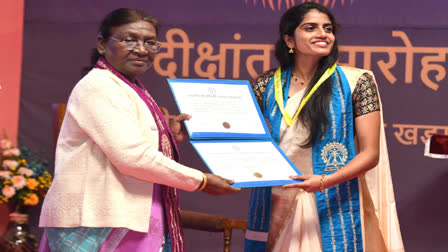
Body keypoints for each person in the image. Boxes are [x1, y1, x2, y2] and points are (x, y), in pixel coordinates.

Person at [38, 8, 240, 252]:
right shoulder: (99, 86)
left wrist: (168, 135)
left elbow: (125, 143)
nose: (142, 49)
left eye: (150, 42)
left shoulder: (128, 86)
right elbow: (131, 156)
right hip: (96, 219)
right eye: (129, 39)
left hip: (124, 213)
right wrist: (201, 181)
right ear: (102, 44)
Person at [245, 3, 404, 252]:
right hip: (277, 200)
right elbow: (243, 138)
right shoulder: (267, 84)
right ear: (289, 39)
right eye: (311, 28)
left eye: (328, 29)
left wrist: (324, 181)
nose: (323, 34)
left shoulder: (357, 82)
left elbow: (370, 153)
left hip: (330, 201)